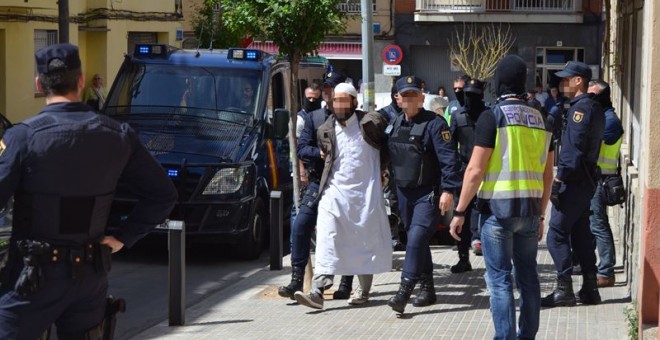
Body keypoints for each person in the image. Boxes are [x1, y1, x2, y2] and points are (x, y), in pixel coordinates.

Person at [0, 43, 178, 339]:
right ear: (81, 81)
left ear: (38, 83)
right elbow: (163, 193)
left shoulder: (23, 137)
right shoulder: (118, 135)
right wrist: (123, 237)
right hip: (89, 274)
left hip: (33, 278)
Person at [449, 55, 554, 340]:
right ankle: (527, 336)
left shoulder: (492, 116)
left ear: (499, 83)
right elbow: (548, 174)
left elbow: (475, 169)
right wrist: (542, 214)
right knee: (529, 278)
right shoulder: (542, 119)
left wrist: (459, 212)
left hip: (497, 213)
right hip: (531, 212)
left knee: (499, 281)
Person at [294, 82, 391, 309]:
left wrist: (386, 171)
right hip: (334, 192)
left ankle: (363, 290)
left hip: (365, 193)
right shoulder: (325, 129)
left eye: (342, 101)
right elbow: (308, 151)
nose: (337, 105)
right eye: (334, 101)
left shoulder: (371, 123)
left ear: (354, 102)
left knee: (363, 242)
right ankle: (317, 291)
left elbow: (389, 143)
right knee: (328, 236)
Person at [386, 76, 461, 314]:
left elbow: (450, 160)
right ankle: (428, 290)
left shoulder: (435, 124)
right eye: (404, 96)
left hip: (427, 194)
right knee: (415, 241)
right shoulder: (395, 123)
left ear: (421, 97)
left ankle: (404, 291)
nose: (409, 100)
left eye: (413, 95)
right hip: (403, 193)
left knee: (417, 239)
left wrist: (448, 190)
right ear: (397, 99)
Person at [542, 61, 605, 308]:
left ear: (579, 81)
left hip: (574, 180)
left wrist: (559, 178)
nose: (562, 84)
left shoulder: (581, 109)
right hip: (585, 181)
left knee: (556, 234)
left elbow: (574, 148)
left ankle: (564, 289)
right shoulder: (590, 107)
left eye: (566, 79)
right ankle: (589, 289)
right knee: (579, 234)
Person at [278, 73, 346, 299]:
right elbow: (301, 148)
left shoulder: (355, 119)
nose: (328, 93)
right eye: (326, 89)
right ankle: (297, 280)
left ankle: (346, 281)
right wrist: (319, 153)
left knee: (346, 231)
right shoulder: (314, 118)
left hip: (345, 184)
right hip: (319, 181)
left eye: (332, 89)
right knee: (301, 224)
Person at [448, 79, 489, 274]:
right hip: (465, 170)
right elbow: (449, 147)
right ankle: (463, 258)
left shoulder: (490, 116)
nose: (470, 99)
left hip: (489, 172)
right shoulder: (457, 117)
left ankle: (489, 254)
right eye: (468, 94)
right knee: (461, 213)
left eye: (474, 95)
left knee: (487, 214)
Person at [587, 79, 624, 288]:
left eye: (593, 95)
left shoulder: (609, 121)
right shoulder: (603, 118)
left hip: (603, 179)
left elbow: (592, 148)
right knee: (594, 223)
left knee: (599, 225)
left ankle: (606, 271)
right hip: (597, 178)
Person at [378, 85, 406, 251]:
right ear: (395, 96)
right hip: (389, 166)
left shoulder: (409, 114)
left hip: (406, 166)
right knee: (390, 202)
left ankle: (401, 235)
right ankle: (392, 238)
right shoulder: (384, 114)